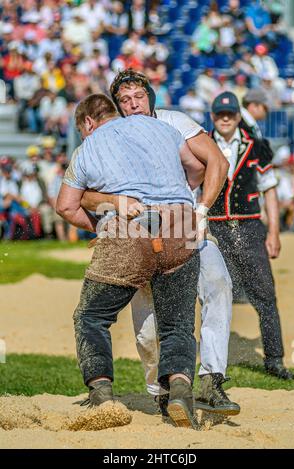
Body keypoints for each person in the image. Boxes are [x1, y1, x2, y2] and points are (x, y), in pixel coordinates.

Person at [81, 70, 240, 416]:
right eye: (124, 99)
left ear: (150, 97)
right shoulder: (116, 133)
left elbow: (217, 161)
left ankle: (212, 379)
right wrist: (110, 216)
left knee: (217, 284)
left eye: (138, 96)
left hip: (187, 226)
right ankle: (162, 392)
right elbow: (87, 191)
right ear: (117, 106)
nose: (132, 103)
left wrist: (198, 209)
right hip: (136, 234)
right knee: (148, 329)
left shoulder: (173, 121)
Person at [56, 93, 206, 430]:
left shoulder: (89, 147)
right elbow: (196, 168)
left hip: (127, 229)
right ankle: (179, 391)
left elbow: (65, 206)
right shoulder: (162, 129)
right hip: (181, 226)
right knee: (177, 324)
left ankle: (102, 395)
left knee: (91, 316)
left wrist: (102, 225)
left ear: (88, 123)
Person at [208, 91, 294, 380]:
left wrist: (273, 231)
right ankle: (214, 365)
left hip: (249, 226)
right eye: (219, 114)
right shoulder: (202, 145)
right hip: (215, 228)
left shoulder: (257, 146)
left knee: (265, 294)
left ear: (236, 115)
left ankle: (274, 359)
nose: (224, 119)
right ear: (212, 117)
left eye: (229, 114)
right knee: (213, 295)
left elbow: (269, 189)